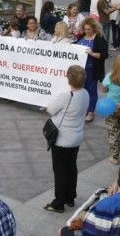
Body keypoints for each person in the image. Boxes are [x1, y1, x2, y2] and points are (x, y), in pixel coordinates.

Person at [44, 65, 89, 213]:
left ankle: (59, 203)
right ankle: (70, 197)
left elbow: (49, 109)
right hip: (76, 137)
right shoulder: (85, 94)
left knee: (60, 171)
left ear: (69, 79)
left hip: (62, 139)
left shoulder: (65, 96)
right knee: (71, 167)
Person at [61, 163, 120, 236]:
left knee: (62, 231)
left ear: (118, 180)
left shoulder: (107, 205)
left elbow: (93, 231)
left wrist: (83, 216)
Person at [76, 18, 109, 122]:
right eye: (85, 29)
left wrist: (92, 54)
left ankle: (91, 112)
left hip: (92, 69)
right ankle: (83, 109)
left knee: (91, 90)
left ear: (94, 28)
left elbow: (104, 55)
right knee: (81, 90)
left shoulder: (99, 38)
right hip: (79, 70)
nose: (87, 31)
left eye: (89, 29)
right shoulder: (81, 36)